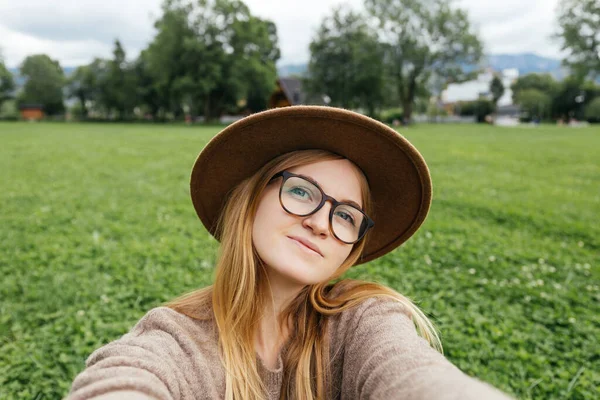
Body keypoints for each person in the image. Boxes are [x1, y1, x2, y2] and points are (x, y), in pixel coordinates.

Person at [68, 106, 513, 400]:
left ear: (350, 248)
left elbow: (413, 374)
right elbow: (127, 380)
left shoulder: (360, 322)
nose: (321, 221)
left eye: (346, 216)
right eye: (302, 191)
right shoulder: (178, 341)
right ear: (252, 198)